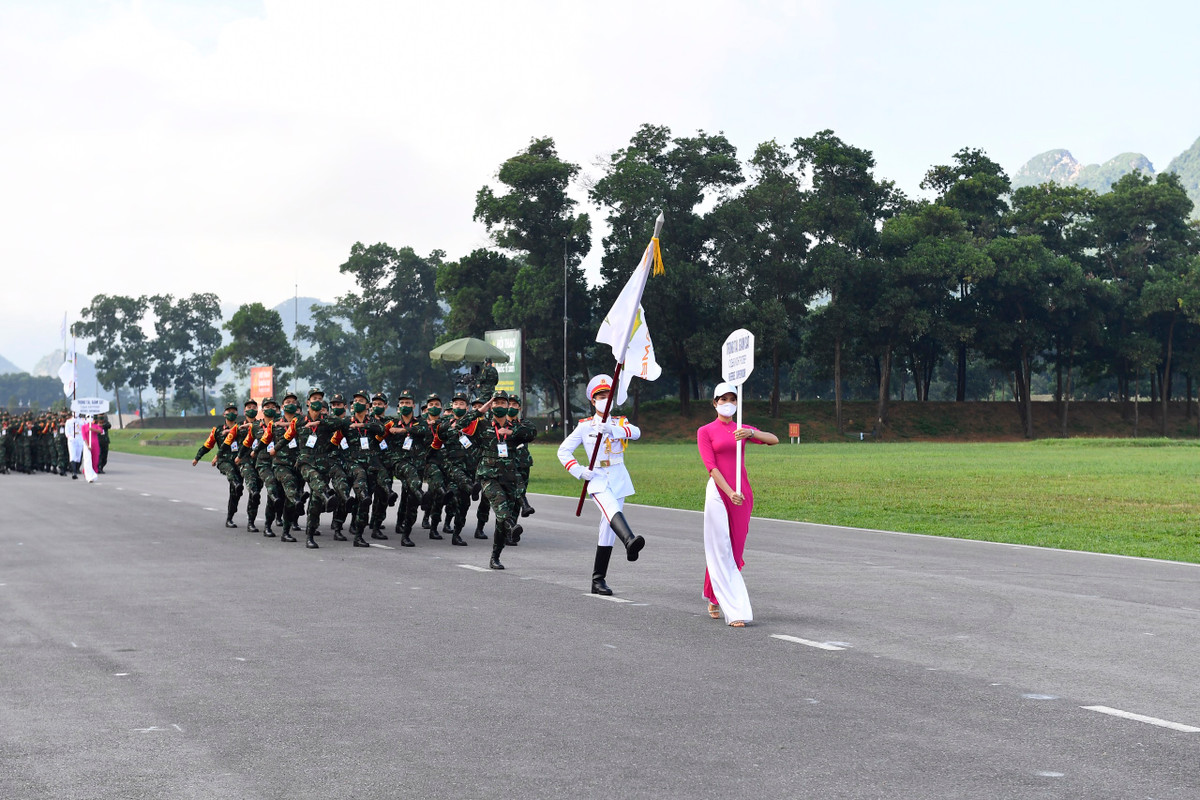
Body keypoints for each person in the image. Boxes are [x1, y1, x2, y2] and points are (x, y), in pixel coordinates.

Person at [696, 382, 779, 627]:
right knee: (721, 547)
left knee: (735, 550)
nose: (728, 403)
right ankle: (734, 608)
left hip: (742, 495)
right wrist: (729, 491)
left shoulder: (741, 428)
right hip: (720, 493)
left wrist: (750, 434)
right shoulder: (705, 431)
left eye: (732, 399)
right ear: (715, 403)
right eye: (723, 399)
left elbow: (774, 439)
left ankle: (712, 595)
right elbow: (711, 467)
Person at [557, 374, 645, 596]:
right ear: (593, 401)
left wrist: (612, 430)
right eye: (601, 396)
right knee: (611, 510)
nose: (605, 399)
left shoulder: (619, 422)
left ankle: (598, 580)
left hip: (618, 476)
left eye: (608, 396)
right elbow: (563, 451)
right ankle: (630, 541)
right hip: (597, 478)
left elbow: (636, 433)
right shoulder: (585, 426)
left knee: (607, 528)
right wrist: (579, 470)